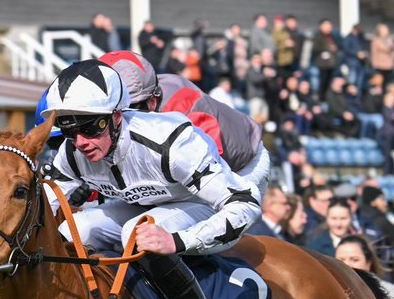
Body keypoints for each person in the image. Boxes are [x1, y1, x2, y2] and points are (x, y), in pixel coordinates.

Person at [43, 59, 258, 299]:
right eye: (71, 131)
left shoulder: (169, 141)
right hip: (145, 204)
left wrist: (178, 241)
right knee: (71, 232)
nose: (82, 142)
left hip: (202, 203)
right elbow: (43, 205)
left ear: (117, 116)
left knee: (137, 233)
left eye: (91, 128)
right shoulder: (72, 154)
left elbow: (245, 204)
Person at [98, 50, 271, 193]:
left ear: (150, 100)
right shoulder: (143, 88)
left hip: (242, 166)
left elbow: (208, 167)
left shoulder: (183, 106)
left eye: (126, 109)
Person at [333, 232, 394, 299]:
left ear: (368, 263)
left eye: (355, 260)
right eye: (341, 260)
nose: (347, 265)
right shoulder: (329, 289)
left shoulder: (389, 291)